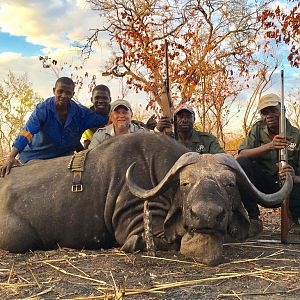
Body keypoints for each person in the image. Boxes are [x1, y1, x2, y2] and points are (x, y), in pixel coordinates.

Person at [0, 77, 108, 177]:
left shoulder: (81, 113)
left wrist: (116, 112)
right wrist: (11, 156)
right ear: (54, 91)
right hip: (35, 156)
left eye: (68, 93)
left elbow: (105, 120)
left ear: (73, 94)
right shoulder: (42, 109)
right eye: (60, 91)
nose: (64, 95)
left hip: (63, 160)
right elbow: (27, 132)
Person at [237, 93, 300, 236]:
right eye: (265, 112)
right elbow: (242, 154)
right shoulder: (257, 129)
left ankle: (294, 218)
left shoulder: (297, 135)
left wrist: (293, 177)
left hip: (291, 189)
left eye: (273, 110)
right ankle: (254, 219)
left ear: (282, 109)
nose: (269, 115)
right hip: (265, 187)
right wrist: (270, 146)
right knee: (241, 164)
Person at [155, 103, 225, 154]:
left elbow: (222, 158)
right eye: (181, 116)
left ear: (194, 119)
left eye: (188, 116)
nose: (185, 120)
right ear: (175, 121)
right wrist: (158, 132)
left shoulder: (207, 140)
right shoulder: (168, 140)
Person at [82, 84, 111, 149]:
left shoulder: (115, 111)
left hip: (111, 141)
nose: (100, 101)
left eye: (104, 98)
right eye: (97, 98)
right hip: (90, 140)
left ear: (110, 99)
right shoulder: (85, 113)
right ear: (92, 99)